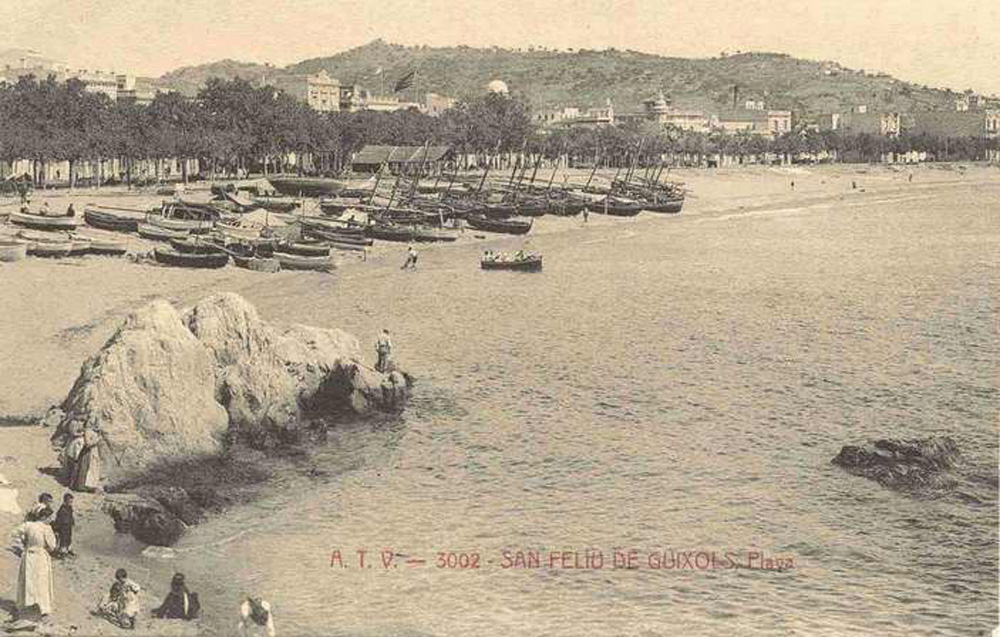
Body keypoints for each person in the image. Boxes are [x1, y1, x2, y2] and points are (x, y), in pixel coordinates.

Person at [12, 508, 58, 619]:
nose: (51, 520)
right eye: (50, 517)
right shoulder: (47, 528)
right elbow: (52, 546)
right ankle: (41, 607)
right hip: (41, 556)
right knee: (41, 581)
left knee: (29, 579)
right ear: (44, 517)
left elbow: (14, 533)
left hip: (28, 554)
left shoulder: (29, 525)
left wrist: (22, 544)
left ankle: (26, 604)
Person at [71, 426, 102, 492]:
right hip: (88, 452)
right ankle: (82, 486)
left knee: (93, 469)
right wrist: (98, 439)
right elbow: (88, 444)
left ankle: (91, 486)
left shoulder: (94, 431)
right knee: (85, 468)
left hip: (94, 451)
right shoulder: (88, 431)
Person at [51, 493, 75, 557]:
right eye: (69, 501)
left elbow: (71, 516)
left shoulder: (69, 508)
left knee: (68, 537)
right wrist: (58, 526)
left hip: (68, 526)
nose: (71, 503)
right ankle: (62, 550)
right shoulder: (62, 509)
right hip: (63, 527)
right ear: (65, 501)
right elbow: (59, 519)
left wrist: (72, 522)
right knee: (63, 538)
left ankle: (67, 548)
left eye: (71, 501)